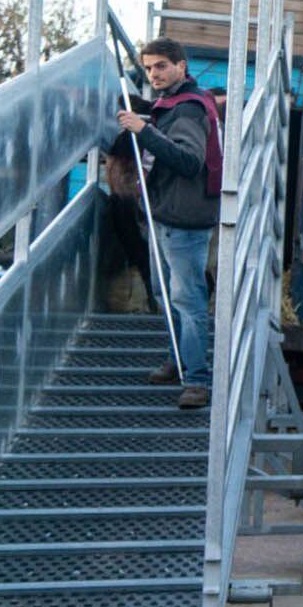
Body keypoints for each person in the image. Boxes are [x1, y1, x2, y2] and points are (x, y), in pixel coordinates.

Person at [113, 37, 220, 410]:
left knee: (187, 300)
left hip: (184, 220)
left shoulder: (189, 108)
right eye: (148, 68)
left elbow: (189, 161)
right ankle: (179, 359)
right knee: (162, 292)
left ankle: (197, 380)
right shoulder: (169, 106)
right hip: (164, 215)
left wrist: (144, 131)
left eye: (161, 66)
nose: (153, 74)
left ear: (181, 65)